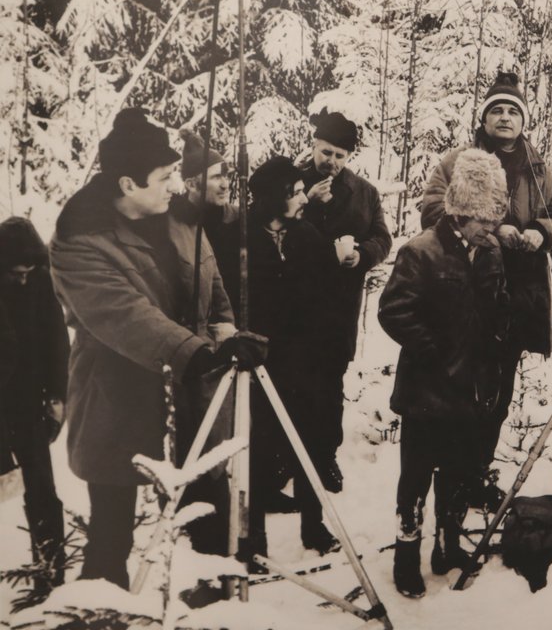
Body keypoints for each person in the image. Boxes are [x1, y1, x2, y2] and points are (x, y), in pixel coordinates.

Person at [49, 108, 266, 590]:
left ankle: (213, 605)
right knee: (111, 536)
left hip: (195, 394)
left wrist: (228, 334)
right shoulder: (78, 241)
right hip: (116, 400)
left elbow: (212, 284)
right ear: (127, 184)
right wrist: (197, 352)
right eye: (166, 177)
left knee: (209, 512)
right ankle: (103, 613)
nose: (176, 185)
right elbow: (126, 315)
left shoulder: (183, 221)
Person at [421, 72, 552, 506]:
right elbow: (432, 208)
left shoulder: (540, 170)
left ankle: (476, 474)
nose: (505, 118)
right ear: (483, 119)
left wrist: (543, 233)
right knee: (463, 390)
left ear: (524, 121)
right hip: (465, 289)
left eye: (513, 111)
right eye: (497, 110)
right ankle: (452, 481)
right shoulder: (457, 161)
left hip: (519, 294)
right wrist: (488, 230)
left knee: (499, 393)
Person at [379, 148, 509, 598]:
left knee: (456, 472)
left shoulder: (489, 252)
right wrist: (432, 350)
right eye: (483, 221)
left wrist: (497, 338)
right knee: (415, 476)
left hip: (468, 389)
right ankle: (405, 554)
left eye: (494, 221)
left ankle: (446, 544)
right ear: (459, 212)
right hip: (425, 389)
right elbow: (393, 311)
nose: (490, 230)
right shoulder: (421, 251)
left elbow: (491, 309)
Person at [233, 155, 341, 558]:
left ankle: (314, 527)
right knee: (258, 450)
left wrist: (325, 355)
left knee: (310, 445)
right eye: (295, 193)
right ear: (272, 198)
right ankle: (253, 538)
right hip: (258, 362)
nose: (303, 199)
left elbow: (327, 300)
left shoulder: (307, 237)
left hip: (306, 363)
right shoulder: (240, 239)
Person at [298, 107, 392, 507]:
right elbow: (268, 223)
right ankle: (288, 457)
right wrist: (305, 201)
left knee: (330, 384)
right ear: (313, 146)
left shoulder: (365, 192)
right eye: (325, 152)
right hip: (295, 304)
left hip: (339, 307)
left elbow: (383, 238)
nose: (331, 162)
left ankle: (324, 457)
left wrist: (364, 256)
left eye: (339, 155)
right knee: (292, 382)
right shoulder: (292, 183)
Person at [0, 217, 69, 599]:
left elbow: (58, 342)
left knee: (41, 486)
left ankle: (50, 574)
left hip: (27, 398)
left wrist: (57, 396)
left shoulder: (41, 280)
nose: (23, 280)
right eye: (15, 274)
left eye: (29, 272)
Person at [170, 128, 239, 286]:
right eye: (216, 177)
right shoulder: (172, 223)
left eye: (226, 176)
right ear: (191, 185)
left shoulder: (238, 219)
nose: (225, 185)